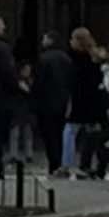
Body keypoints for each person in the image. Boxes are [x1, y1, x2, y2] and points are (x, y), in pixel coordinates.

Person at [67, 29, 109, 178]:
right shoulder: (95, 58)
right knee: (94, 135)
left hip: (83, 101)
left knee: (71, 132)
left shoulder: (78, 60)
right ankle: (99, 165)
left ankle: (74, 165)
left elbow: (78, 82)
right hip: (97, 102)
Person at [30, 32, 75, 176]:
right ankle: (60, 163)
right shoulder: (66, 59)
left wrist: (33, 98)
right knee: (59, 133)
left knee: (49, 135)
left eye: (44, 38)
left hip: (46, 102)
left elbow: (39, 82)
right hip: (62, 101)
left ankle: (53, 163)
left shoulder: (43, 59)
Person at [0, 16, 22, 169]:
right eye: (1, 25)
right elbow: (8, 74)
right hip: (0, 98)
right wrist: (17, 86)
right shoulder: (1, 48)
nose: (4, 28)